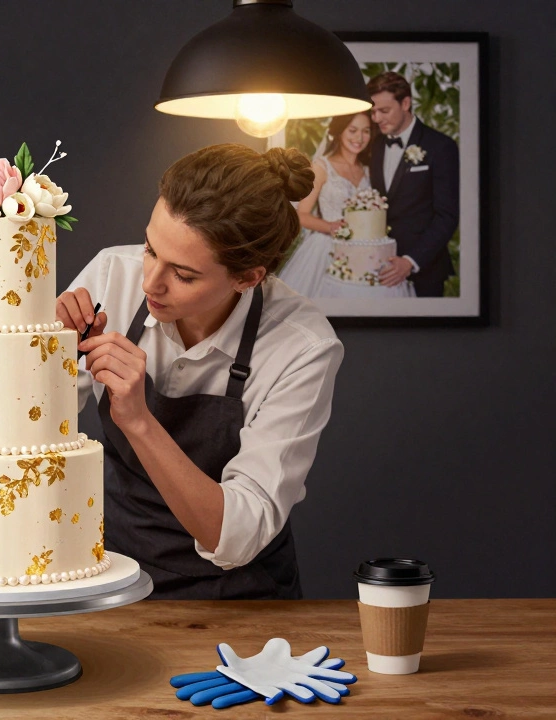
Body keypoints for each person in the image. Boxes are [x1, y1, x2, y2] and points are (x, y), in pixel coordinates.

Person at [58, 144, 344, 600]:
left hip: (238, 596)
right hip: (113, 577)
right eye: (151, 249)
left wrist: (138, 421)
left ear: (248, 277)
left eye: (184, 275)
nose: (150, 282)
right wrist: (41, 355)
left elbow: (238, 534)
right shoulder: (113, 273)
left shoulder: (302, 347)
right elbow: (29, 432)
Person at [278, 111, 411, 298]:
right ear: (340, 132)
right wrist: (331, 227)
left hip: (366, 250)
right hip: (327, 248)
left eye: (366, 131)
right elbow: (302, 215)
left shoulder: (369, 170)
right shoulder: (321, 167)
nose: (359, 137)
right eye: (353, 130)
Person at [367, 71, 460, 296]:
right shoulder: (374, 145)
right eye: (373, 112)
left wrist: (410, 261)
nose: (377, 119)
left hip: (424, 268)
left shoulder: (441, 146)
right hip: (379, 267)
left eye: (384, 111)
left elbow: (447, 215)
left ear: (406, 103)